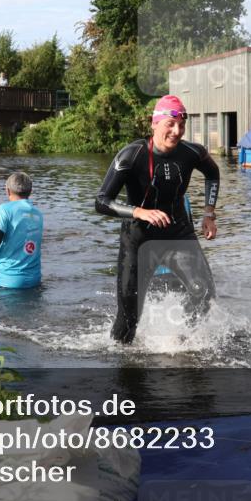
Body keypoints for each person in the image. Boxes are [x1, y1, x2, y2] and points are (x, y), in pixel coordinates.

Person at [95, 95, 219, 344]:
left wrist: (208, 213)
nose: (177, 131)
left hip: (178, 234)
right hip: (138, 239)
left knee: (204, 293)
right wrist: (139, 212)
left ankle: (182, 341)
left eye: (182, 125)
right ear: (154, 123)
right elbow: (101, 201)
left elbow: (213, 174)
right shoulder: (132, 155)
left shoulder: (192, 152)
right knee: (129, 318)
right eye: (170, 124)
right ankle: (121, 363)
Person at [0, 172, 43, 289]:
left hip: (8, 281)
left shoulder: (4, 209)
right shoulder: (37, 213)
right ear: (30, 191)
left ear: (7, 190)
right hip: (34, 280)